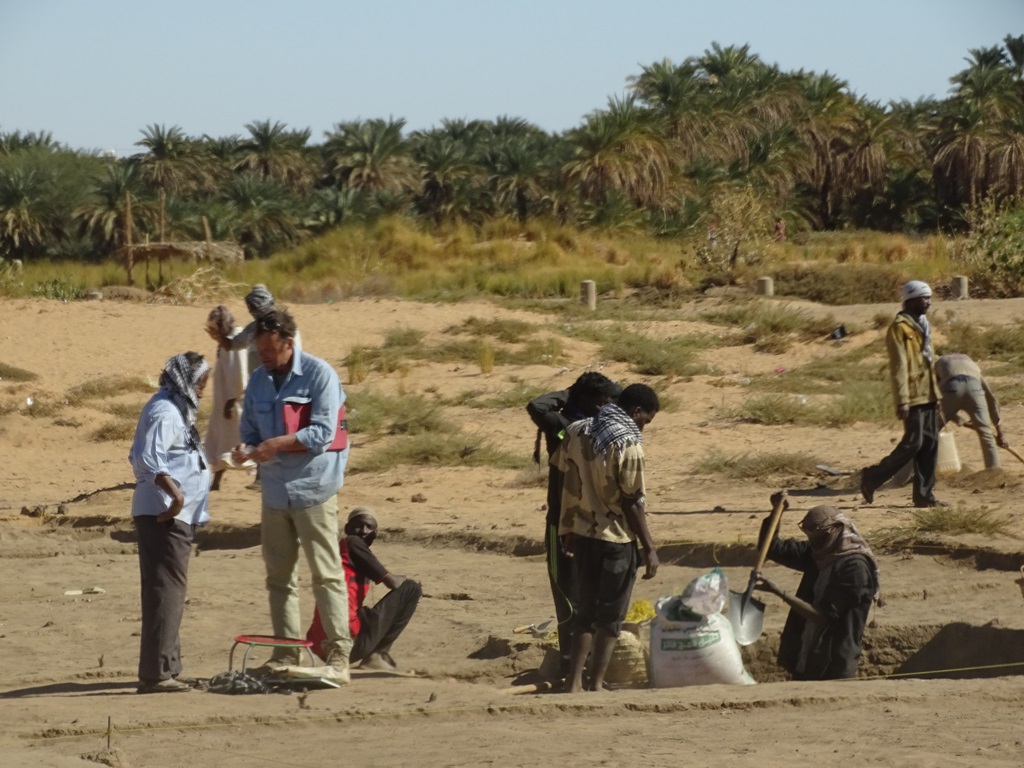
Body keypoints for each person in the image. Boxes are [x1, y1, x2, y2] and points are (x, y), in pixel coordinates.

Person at [231, 307, 352, 683]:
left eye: (269, 350)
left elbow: (321, 435)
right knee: (278, 577)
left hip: (314, 489)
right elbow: (249, 427)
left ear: (288, 343)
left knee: (326, 576)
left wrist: (276, 445)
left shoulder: (320, 375)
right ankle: (286, 652)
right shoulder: (258, 380)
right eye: (259, 351)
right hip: (274, 492)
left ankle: (339, 657)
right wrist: (246, 449)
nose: (263, 357)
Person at [556, 383, 660, 693]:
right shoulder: (628, 444)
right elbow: (632, 501)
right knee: (610, 617)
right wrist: (649, 548)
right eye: (646, 420)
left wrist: (567, 528)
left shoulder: (576, 431)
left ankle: (574, 683)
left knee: (584, 612)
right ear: (636, 411)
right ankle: (597, 682)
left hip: (584, 535)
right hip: (616, 541)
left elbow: (568, 481)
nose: (644, 427)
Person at [526, 372, 620, 678]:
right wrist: (570, 392)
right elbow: (536, 406)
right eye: (597, 402)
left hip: (592, 524)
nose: (603, 407)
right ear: (582, 399)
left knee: (591, 593)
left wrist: (595, 394)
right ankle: (570, 661)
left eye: (606, 402)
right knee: (567, 595)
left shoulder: (603, 425)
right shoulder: (562, 427)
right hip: (560, 523)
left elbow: (622, 394)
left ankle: (585, 663)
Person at [129, 352, 211, 694]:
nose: (205, 389)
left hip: (174, 515)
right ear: (186, 381)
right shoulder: (164, 411)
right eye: (201, 382)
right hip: (164, 515)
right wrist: (176, 497)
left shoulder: (176, 409)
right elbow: (147, 459)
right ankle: (157, 673)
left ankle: (168, 667)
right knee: (165, 591)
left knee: (170, 591)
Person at [754, 495, 880, 680]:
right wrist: (776, 512)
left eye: (819, 539)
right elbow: (772, 548)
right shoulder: (819, 553)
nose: (814, 545)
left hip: (832, 661)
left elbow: (823, 617)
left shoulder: (855, 568)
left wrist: (778, 592)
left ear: (837, 530)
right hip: (806, 654)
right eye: (811, 539)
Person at [306, 507, 421, 671]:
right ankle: (377, 656)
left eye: (369, 527)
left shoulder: (340, 552)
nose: (363, 531)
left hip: (320, 645)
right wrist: (404, 579)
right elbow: (393, 583)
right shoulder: (352, 543)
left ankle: (373, 656)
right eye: (358, 525)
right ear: (347, 528)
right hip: (347, 643)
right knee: (411, 589)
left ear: (375, 533)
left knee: (360, 611)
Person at [860, 280, 943, 507]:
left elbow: (929, 361)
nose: (929, 302)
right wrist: (902, 400)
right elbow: (899, 366)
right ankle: (872, 477)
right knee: (913, 443)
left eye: (929, 297)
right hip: (913, 395)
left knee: (930, 444)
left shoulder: (924, 325)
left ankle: (924, 496)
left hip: (928, 393)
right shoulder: (899, 328)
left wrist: (937, 396)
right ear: (911, 300)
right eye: (924, 298)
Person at [935, 353, 1008, 469]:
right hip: (975, 389)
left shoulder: (938, 363)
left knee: (930, 430)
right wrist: (1000, 433)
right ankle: (994, 471)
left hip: (952, 388)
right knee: (986, 434)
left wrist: (960, 420)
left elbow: (937, 402)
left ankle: (910, 474)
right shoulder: (972, 365)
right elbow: (991, 399)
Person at [204, 306, 248, 491]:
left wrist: (233, 399)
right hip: (224, 398)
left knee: (246, 438)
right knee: (221, 439)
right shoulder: (226, 340)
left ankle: (260, 477)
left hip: (235, 400)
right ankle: (216, 481)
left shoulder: (236, 339)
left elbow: (240, 373)